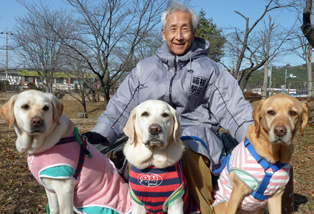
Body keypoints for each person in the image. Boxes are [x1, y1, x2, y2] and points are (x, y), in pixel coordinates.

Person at [84, 0, 253, 173]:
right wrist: (101, 134)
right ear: (164, 34)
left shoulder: (211, 70)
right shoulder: (144, 69)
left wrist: (254, 137)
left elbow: (234, 109)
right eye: (173, 29)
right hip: (150, 135)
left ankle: (201, 199)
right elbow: (121, 106)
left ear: (193, 33)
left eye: (185, 29)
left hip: (195, 138)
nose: (178, 36)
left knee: (188, 154)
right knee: (124, 159)